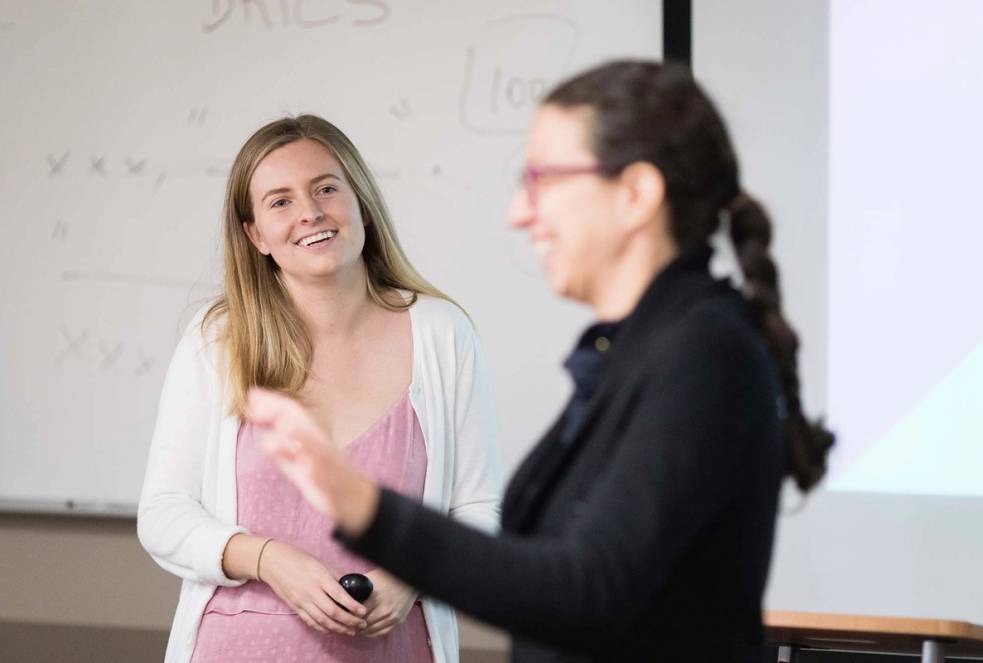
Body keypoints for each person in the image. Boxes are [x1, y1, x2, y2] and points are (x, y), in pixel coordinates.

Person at [249, 61, 836, 662]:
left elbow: (584, 590)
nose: (520, 214)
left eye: (544, 181)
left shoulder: (706, 355)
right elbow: (545, 576)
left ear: (636, 195)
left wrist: (364, 507)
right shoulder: (637, 349)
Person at [137, 115, 503, 663]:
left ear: (360, 203)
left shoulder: (441, 332)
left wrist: (415, 573)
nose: (309, 212)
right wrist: (267, 559)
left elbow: (480, 507)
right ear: (255, 234)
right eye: (279, 201)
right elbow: (164, 513)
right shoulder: (217, 340)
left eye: (326, 188)